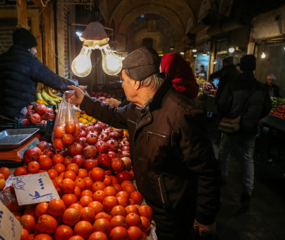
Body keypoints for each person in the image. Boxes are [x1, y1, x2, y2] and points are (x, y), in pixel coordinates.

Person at [66, 47, 221, 239]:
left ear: (137, 83)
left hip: (173, 211)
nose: (122, 85)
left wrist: (205, 216)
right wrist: (84, 101)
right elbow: (114, 115)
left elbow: (207, 171)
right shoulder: (136, 108)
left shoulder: (182, 116)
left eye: (124, 80)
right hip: (149, 200)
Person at [0, 28, 83, 121]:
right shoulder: (30, 61)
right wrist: (75, 86)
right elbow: (53, 79)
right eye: (34, 47)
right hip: (22, 115)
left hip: (1, 115)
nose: (36, 51)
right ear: (28, 48)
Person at [217, 55, 271, 214]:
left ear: (241, 66)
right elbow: (267, 108)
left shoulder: (233, 85)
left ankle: (222, 176)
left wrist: (230, 116)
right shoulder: (261, 87)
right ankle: (248, 188)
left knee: (223, 151)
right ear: (254, 68)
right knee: (248, 157)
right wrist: (253, 119)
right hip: (250, 129)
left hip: (232, 127)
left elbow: (222, 104)